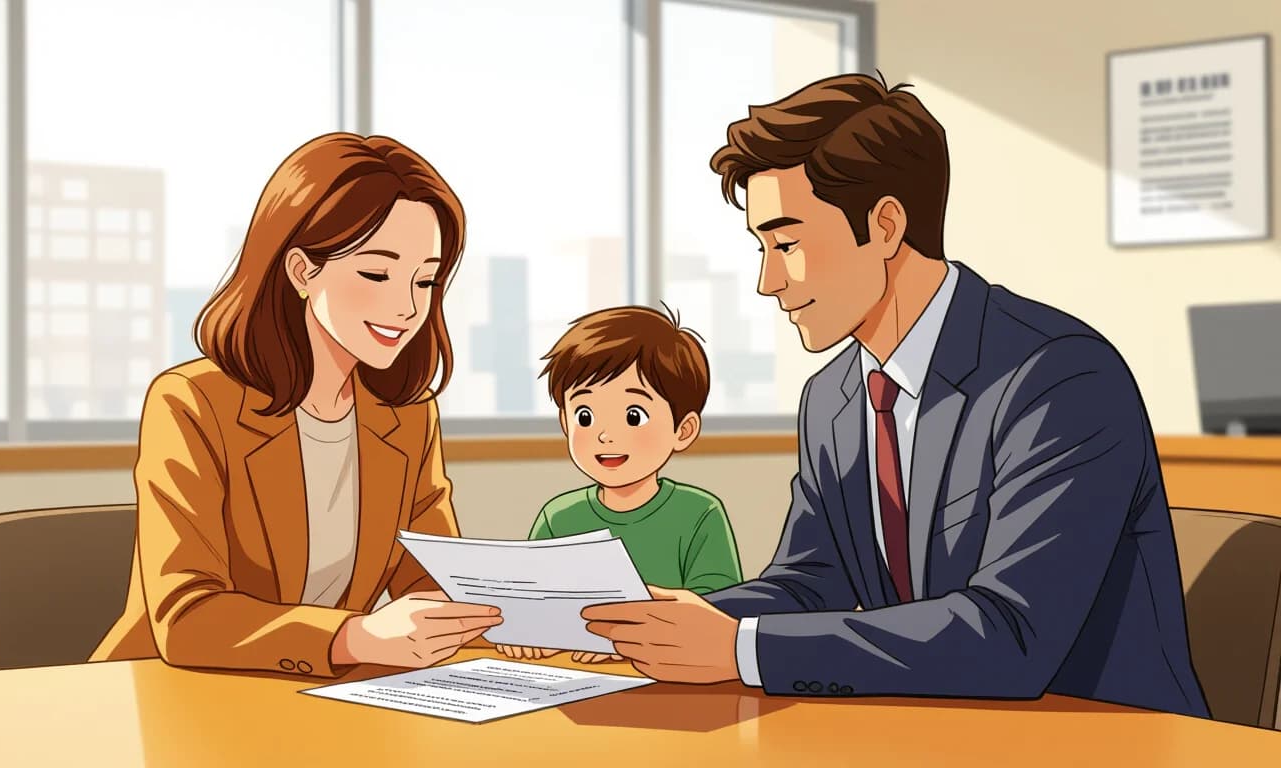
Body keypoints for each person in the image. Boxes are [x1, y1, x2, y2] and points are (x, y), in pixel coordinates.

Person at [582, 73, 1210, 718]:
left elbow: (1012, 634)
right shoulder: (832, 398)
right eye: (762, 247)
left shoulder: (1059, 376)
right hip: (928, 725)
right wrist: (664, 623)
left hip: (1097, 733)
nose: (769, 281)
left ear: (884, 226)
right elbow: (810, 583)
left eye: (787, 243)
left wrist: (743, 649)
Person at [91, 133, 502, 677]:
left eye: (424, 280)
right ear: (302, 271)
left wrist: (543, 613)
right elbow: (187, 619)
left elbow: (433, 580)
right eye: (376, 274)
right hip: (170, 691)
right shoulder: (193, 402)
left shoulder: (406, 414)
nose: (407, 307)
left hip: (316, 695)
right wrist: (355, 637)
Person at [497, 305, 742, 664]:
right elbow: (532, 601)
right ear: (565, 422)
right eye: (585, 416)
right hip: (574, 676)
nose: (605, 436)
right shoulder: (558, 517)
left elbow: (717, 612)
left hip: (670, 676)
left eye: (633, 416)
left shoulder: (699, 513)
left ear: (683, 430)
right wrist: (524, 632)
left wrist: (623, 640)